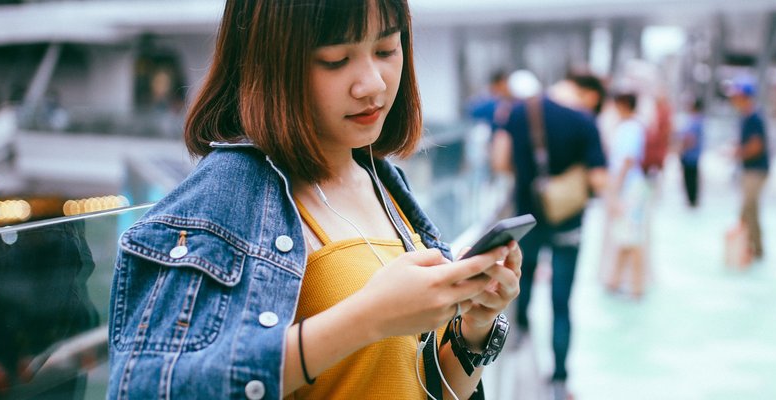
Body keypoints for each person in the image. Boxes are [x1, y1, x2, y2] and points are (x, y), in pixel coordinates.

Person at [107, 2, 524, 399]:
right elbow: (149, 388)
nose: (373, 83)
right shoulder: (221, 199)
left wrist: (475, 325)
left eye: (386, 49)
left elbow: (420, 385)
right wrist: (368, 318)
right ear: (270, 64)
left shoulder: (380, 180)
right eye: (336, 59)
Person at [490, 72, 608, 399]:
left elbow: (499, 161)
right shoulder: (585, 122)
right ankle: (558, 380)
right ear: (589, 94)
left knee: (521, 284)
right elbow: (599, 180)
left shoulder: (519, 112)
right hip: (568, 223)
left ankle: (520, 340)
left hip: (527, 220)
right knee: (561, 303)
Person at [604, 93, 648, 299]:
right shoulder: (630, 127)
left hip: (629, 188)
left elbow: (628, 160)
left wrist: (616, 188)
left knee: (632, 237)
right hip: (629, 186)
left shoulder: (631, 128)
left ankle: (637, 286)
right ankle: (615, 280)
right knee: (624, 234)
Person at [729, 80, 770, 262]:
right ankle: (750, 247)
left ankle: (754, 249)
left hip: (756, 170)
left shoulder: (754, 117)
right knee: (749, 210)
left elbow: (756, 146)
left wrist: (738, 153)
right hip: (750, 170)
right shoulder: (746, 117)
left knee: (748, 208)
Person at [678, 98, 704, 207]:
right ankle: (692, 199)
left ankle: (692, 200)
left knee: (690, 179)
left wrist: (681, 148)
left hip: (690, 156)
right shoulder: (697, 120)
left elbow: (690, 139)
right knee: (692, 178)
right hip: (692, 155)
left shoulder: (695, 121)